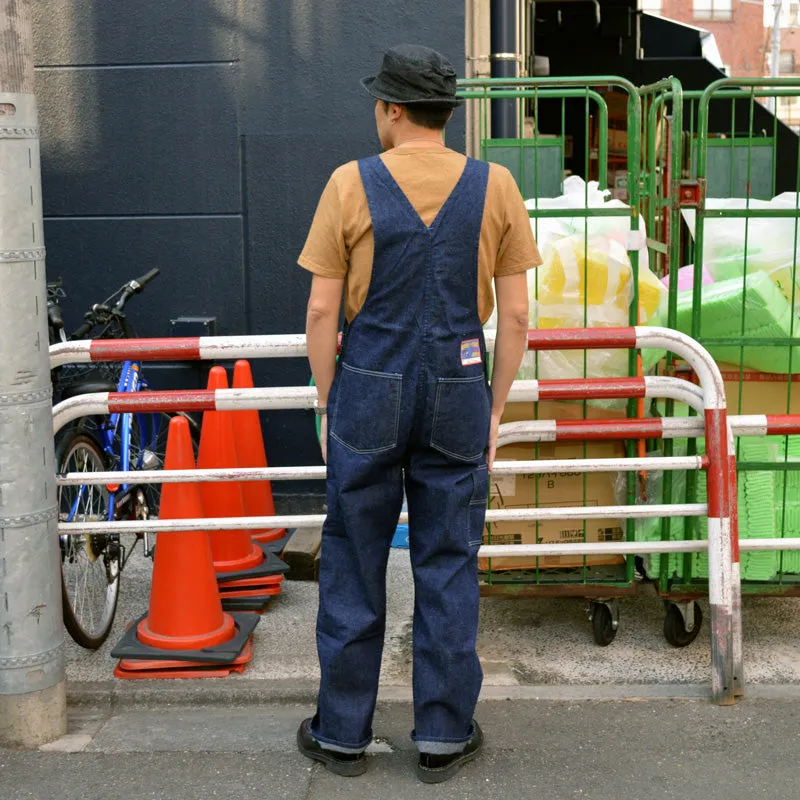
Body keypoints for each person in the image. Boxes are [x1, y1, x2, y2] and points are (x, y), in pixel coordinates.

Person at [296, 44, 541, 783]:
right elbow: (521, 315)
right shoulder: (495, 185)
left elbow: (320, 310)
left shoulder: (349, 183)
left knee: (353, 558)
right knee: (446, 561)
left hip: (368, 385)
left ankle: (341, 732)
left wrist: (328, 395)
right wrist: (492, 406)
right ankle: (440, 732)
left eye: (378, 102)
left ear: (393, 110)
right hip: (460, 387)